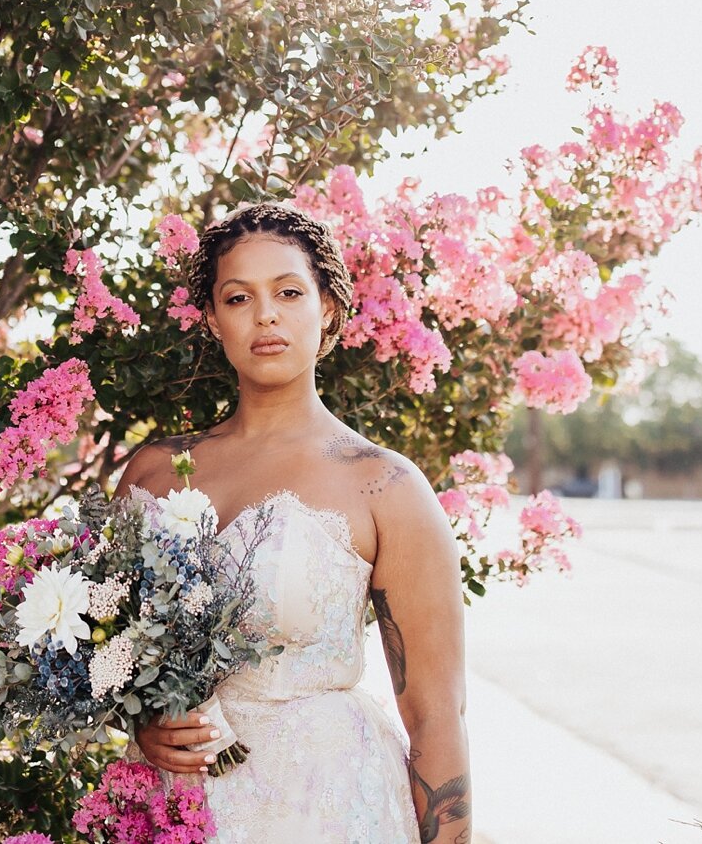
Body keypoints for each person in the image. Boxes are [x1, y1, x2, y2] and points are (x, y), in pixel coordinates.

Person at [114, 201, 474, 844]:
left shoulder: (382, 485)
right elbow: (111, 654)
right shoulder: (154, 473)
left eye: (288, 291)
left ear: (328, 306)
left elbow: (434, 714)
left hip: (325, 808)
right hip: (175, 807)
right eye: (237, 298)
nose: (266, 315)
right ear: (213, 320)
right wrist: (142, 721)